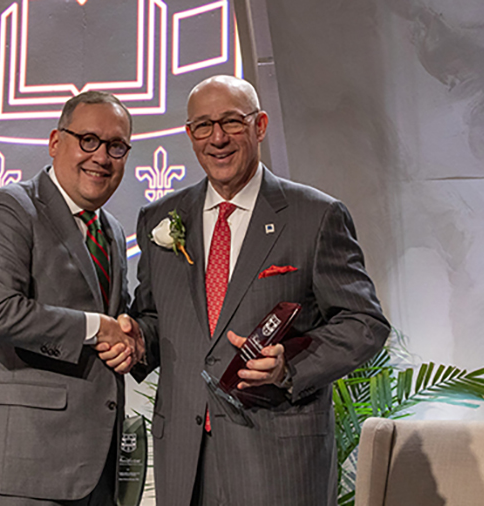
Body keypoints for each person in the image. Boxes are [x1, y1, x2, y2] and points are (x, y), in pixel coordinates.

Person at [123, 75, 390, 505]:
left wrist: (289, 367)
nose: (218, 138)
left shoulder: (315, 216)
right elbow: (156, 317)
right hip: (184, 457)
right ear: (190, 135)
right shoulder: (161, 217)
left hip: (278, 455)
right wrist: (136, 338)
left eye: (231, 122)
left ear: (260, 125)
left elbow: (364, 323)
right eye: (204, 126)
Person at [0, 91, 143, 506]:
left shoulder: (112, 231)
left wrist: (131, 340)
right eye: (87, 140)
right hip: (18, 469)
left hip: (93, 474)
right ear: (56, 142)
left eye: (116, 146)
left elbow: (115, 325)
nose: (102, 157)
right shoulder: (9, 208)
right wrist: (97, 328)